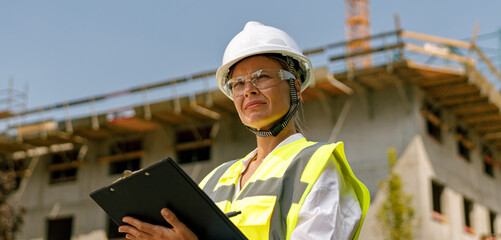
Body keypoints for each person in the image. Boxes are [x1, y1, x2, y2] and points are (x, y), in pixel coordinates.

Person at [118, 21, 370, 240]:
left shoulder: (317, 168)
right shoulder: (214, 180)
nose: (249, 89)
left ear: (295, 87)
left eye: (262, 77)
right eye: (238, 83)